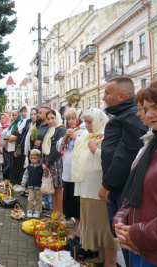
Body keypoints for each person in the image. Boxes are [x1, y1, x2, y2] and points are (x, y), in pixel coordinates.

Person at [99, 77, 147, 266]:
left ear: (121, 96)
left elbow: (126, 155)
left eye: (107, 93)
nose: (103, 97)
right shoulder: (124, 115)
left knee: (126, 239)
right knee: (121, 237)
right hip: (119, 187)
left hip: (122, 189)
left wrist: (107, 184)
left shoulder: (131, 116)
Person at [113, 81, 157, 267]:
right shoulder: (153, 144)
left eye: (156, 107)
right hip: (140, 248)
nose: (148, 115)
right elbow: (135, 190)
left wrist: (135, 234)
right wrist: (119, 223)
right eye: (146, 109)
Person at [72, 108, 120, 267]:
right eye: (85, 122)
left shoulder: (108, 136)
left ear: (99, 121)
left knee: (104, 229)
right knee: (93, 226)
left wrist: (95, 150)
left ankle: (111, 262)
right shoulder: (85, 137)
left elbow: (111, 163)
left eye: (90, 122)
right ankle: (100, 257)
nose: (87, 125)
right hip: (85, 190)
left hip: (99, 191)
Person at [56, 108, 87, 237]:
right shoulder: (67, 132)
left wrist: (75, 137)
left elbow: (85, 147)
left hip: (78, 175)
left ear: (78, 118)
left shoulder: (83, 131)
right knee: (71, 206)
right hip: (67, 174)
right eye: (68, 119)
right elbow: (59, 148)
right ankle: (76, 231)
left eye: (73, 118)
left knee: (78, 205)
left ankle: (80, 233)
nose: (71, 121)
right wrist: (65, 137)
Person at [42, 109, 66, 215]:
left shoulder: (60, 129)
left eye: (52, 118)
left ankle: (59, 214)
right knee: (52, 188)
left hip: (56, 162)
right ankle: (55, 213)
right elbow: (45, 147)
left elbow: (57, 149)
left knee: (58, 188)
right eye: (48, 119)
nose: (50, 121)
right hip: (50, 162)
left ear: (57, 117)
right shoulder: (51, 129)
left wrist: (47, 163)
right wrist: (44, 162)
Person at [35, 107, 52, 214]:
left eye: (40, 113)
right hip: (39, 157)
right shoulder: (40, 125)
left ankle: (48, 205)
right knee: (43, 181)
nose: (37, 114)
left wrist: (40, 144)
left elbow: (49, 143)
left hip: (46, 158)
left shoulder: (49, 127)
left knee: (47, 181)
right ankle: (44, 202)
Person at [10, 105, 31, 190]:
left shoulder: (29, 122)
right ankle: (18, 182)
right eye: (21, 111)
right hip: (19, 147)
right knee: (18, 166)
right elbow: (18, 136)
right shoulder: (21, 122)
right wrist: (16, 149)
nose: (23, 113)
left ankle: (24, 185)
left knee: (24, 166)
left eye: (25, 111)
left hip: (25, 148)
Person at [21, 149, 43, 218]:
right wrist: (23, 182)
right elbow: (25, 175)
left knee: (38, 200)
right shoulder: (29, 167)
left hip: (39, 186)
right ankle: (29, 210)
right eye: (31, 158)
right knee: (30, 199)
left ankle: (37, 211)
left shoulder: (41, 168)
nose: (33, 160)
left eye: (35, 158)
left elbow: (44, 177)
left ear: (39, 158)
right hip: (30, 186)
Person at [0, 113, 11, 180]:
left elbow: (7, 138)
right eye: (1, 118)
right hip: (1, 149)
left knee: (6, 165)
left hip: (6, 149)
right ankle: (3, 179)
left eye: (3, 118)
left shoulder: (8, 127)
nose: (1, 119)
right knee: (2, 164)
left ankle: (6, 180)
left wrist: (2, 147)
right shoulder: (1, 128)